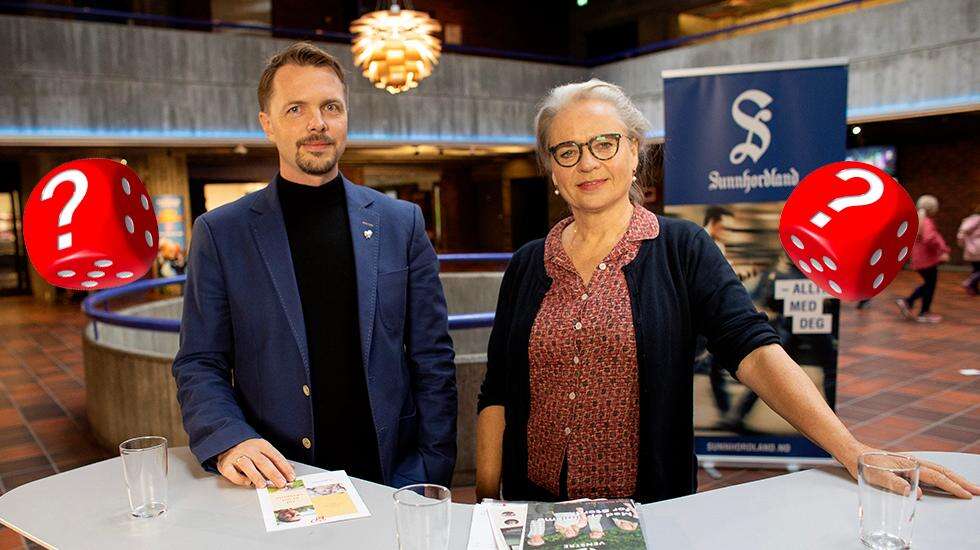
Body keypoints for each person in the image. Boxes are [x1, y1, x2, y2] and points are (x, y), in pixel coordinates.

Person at [474, 78, 979, 504]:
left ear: (634, 150)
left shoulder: (682, 247)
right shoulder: (528, 264)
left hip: (647, 511)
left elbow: (752, 349)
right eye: (567, 151)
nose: (587, 163)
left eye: (604, 143)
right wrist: (486, 499)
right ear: (552, 169)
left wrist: (853, 450)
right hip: (533, 508)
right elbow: (497, 391)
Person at [172, 42, 457, 490]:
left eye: (330, 107)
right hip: (281, 479)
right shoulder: (221, 234)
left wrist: (432, 467)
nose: (317, 123)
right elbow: (199, 362)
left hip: (392, 478)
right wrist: (230, 439)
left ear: (346, 116)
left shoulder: (401, 223)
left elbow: (433, 358)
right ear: (267, 124)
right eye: (295, 109)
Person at [895, 195, 950, 323]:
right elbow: (930, 238)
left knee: (928, 284)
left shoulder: (919, 219)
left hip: (919, 258)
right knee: (930, 285)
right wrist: (942, 250)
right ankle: (922, 311)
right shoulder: (927, 221)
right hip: (927, 259)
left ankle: (909, 302)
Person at [957, 203, 980, 296]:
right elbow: (964, 231)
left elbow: (962, 233)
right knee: (978, 269)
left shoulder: (969, 219)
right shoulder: (977, 220)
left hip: (971, 248)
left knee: (976, 268)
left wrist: (962, 243)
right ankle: (969, 282)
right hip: (978, 248)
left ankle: (974, 289)